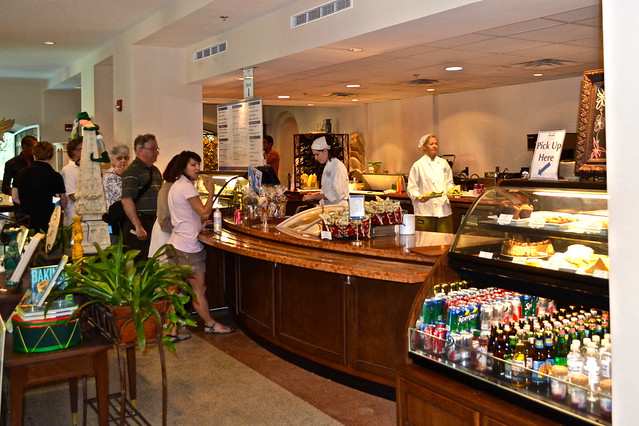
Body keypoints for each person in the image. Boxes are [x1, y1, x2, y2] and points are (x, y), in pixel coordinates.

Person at [168, 151, 234, 334]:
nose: (198, 168)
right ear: (183, 167)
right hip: (188, 248)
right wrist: (211, 190)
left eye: (198, 164)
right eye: (193, 165)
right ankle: (210, 323)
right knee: (199, 290)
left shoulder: (176, 185)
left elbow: (186, 217)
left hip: (176, 244)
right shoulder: (187, 187)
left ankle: (171, 330)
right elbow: (205, 213)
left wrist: (199, 226)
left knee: (176, 290)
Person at [121, 134, 162, 259]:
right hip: (140, 222)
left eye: (157, 149)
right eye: (153, 149)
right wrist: (138, 226)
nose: (157, 152)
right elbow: (127, 200)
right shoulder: (132, 171)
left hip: (154, 222)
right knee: (140, 260)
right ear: (140, 150)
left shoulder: (155, 171)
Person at [12, 141, 67, 232]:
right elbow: (62, 200)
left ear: (34, 155)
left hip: (27, 220)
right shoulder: (55, 176)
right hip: (48, 220)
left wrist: (28, 204)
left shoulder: (21, 173)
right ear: (51, 156)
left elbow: (15, 197)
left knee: (28, 243)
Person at [407, 134, 454, 233]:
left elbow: (449, 183)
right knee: (425, 243)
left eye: (436, 144)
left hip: (443, 209)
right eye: (431, 144)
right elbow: (411, 188)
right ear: (424, 147)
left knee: (445, 241)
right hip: (425, 210)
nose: (434, 146)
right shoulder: (418, 165)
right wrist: (418, 196)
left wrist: (452, 191)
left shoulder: (443, 163)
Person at [301, 136, 349, 205]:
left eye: (317, 154)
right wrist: (315, 194)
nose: (316, 158)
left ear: (325, 151)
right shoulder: (328, 166)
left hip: (337, 207)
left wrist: (312, 197)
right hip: (328, 207)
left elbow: (335, 194)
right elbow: (327, 192)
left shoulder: (337, 166)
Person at [148, 155, 180, 258]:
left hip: (166, 232)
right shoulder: (169, 188)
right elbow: (165, 218)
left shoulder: (171, 186)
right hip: (165, 234)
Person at [2, 135, 36, 213]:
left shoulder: (37, 162)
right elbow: (5, 186)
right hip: (20, 203)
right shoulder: (12, 163)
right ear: (24, 147)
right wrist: (16, 195)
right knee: (22, 224)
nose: (35, 150)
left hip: (36, 201)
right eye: (33, 147)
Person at [60, 138, 82, 226]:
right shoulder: (68, 170)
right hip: (74, 217)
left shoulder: (85, 168)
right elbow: (73, 196)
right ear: (76, 152)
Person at [102, 144, 131, 209]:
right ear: (112, 160)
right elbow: (123, 197)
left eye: (126, 158)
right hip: (115, 213)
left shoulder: (127, 174)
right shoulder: (109, 177)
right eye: (119, 158)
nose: (123, 161)